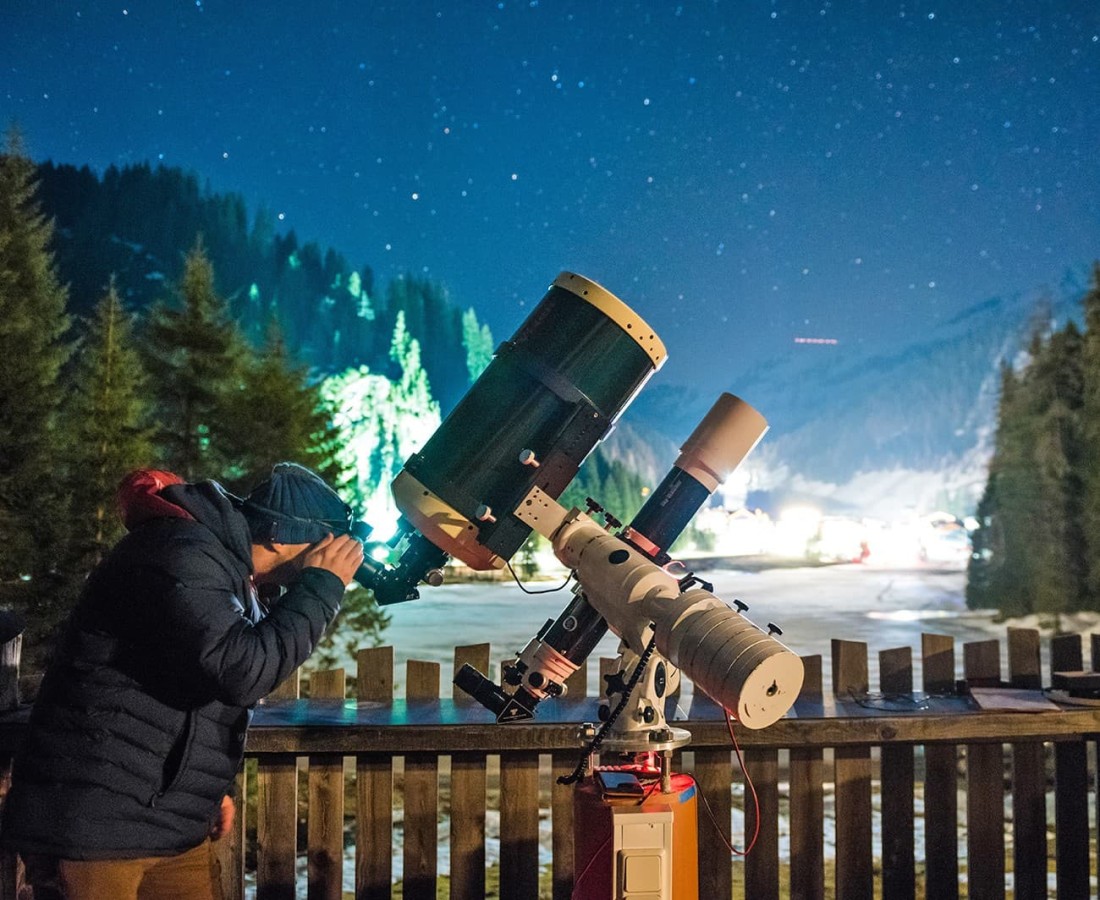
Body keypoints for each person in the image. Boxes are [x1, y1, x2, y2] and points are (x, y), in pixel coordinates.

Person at [1, 462, 365, 900]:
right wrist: (321, 587)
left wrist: (204, 790)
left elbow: (197, 683)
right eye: (324, 544)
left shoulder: (225, 571)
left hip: (166, 818)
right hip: (94, 822)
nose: (332, 556)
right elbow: (241, 670)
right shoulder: (180, 551)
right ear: (278, 535)